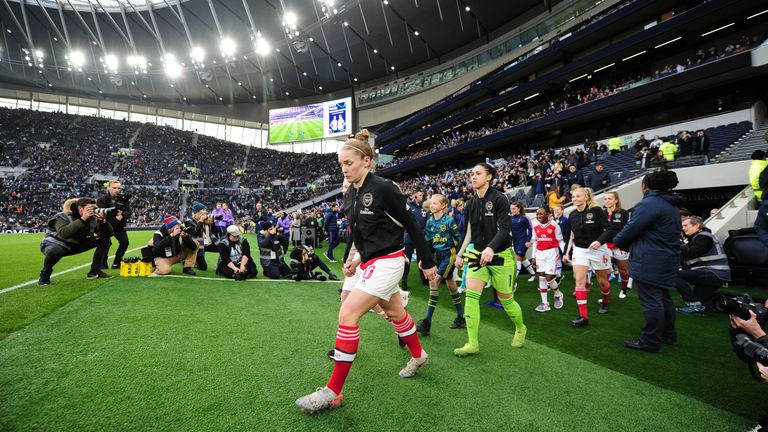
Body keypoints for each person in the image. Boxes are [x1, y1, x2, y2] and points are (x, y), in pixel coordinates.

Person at [295, 130, 437, 413]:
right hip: (369, 264)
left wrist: (427, 260)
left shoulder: (383, 188)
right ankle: (419, 356)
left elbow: (412, 224)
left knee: (347, 312)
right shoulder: (352, 194)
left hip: (389, 263)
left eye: (349, 163)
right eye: (341, 165)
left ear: (367, 161)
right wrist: (355, 260)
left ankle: (333, 391)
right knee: (396, 313)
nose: (344, 169)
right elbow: (359, 233)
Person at [453, 163, 527, 357]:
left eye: (478, 173)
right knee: (470, 297)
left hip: (501, 256)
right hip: (478, 256)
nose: (473, 177)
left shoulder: (500, 198)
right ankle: (472, 343)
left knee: (507, 301)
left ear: (489, 177)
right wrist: (460, 254)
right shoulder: (470, 204)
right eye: (472, 173)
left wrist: (491, 248)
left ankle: (520, 328)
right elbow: (468, 232)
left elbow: (504, 229)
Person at [614, 170, 683, 353]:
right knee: (664, 299)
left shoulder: (650, 203)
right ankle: (669, 335)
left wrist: (618, 242)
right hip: (666, 258)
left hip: (650, 259)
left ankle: (650, 341)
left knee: (653, 301)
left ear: (646, 186)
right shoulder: (670, 204)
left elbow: (631, 229)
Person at [563, 187, 614, 326]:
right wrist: (565, 253)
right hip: (580, 250)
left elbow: (609, 229)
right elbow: (570, 236)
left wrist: (599, 241)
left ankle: (605, 301)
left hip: (598, 250)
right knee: (579, 281)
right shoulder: (572, 215)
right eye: (573, 197)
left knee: (602, 281)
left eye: (578, 196)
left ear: (586, 197)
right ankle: (583, 317)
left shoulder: (597, 211)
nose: (574, 199)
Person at [416, 193, 465, 336]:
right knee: (450, 284)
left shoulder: (449, 221)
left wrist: (459, 256)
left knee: (434, 282)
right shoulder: (430, 222)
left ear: (443, 206)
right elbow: (429, 244)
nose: (432, 205)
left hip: (449, 255)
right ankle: (461, 317)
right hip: (438, 255)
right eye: (431, 203)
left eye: (435, 203)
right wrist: (424, 259)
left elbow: (459, 239)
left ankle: (427, 323)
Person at [38, 197, 114, 285]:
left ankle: (95, 271)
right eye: (90, 208)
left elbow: (109, 234)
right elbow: (64, 233)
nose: (93, 210)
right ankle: (44, 275)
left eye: (94, 208)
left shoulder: (92, 218)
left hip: (74, 244)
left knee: (105, 240)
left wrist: (102, 222)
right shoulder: (62, 216)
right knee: (55, 251)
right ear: (80, 208)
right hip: (55, 244)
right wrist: (83, 219)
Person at [676, 216, 731, 314]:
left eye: (686, 225)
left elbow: (691, 253)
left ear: (697, 225)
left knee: (673, 274)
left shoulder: (704, 237)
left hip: (713, 273)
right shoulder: (697, 238)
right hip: (715, 274)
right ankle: (742, 300)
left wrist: (679, 243)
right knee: (703, 304)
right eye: (682, 226)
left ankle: (693, 304)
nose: (683, 228)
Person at [530, 206, 565, 312]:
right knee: (541, 277)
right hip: (540, 254)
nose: (538, 216)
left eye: (541, 213)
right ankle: (545, 303)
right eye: (537, 214)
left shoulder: (554, 225)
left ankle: (558, 293)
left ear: (548, 214)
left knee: (549, 278)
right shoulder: (535, 226)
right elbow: (535, 242)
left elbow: (560, 241)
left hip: (552, 253)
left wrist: (565, 253)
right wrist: (533, 256)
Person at [97, 180, 130, 269]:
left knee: (125, 242)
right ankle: (103, 262)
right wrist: (116, 216)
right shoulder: (101, 200)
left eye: (118, 188)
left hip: (119, 226)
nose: (117, 190)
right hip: (106, 225)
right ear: (109, 188)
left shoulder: (123, 199)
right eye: (114, 188)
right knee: (107, 243)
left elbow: (128, 211)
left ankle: (117, 262)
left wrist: (122, 215)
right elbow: (102, 213)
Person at [603, 192, 631, 299]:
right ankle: (606, 295)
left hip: (619, 246)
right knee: (606, 271)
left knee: (623, 270)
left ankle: (624, 289)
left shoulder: (623, 213)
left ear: (616, 200)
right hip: (605, 246)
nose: (607, 201)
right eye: (605, 199)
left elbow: (626, 230)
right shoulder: (601, 213)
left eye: (610, 198)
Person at [401, 189, 427, 291]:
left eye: (422, 195)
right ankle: (404, 281)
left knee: (421, 258)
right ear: (414, 196)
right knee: (407, 259)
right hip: (409, 236)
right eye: (420, 195)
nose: (422, 197)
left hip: (420, 237)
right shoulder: (407, 206)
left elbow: (426, 220)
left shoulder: (422, 207)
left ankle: (424, 278)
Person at [510, 201, 536, 281]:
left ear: (519, 209)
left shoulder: (525, 218)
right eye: (511, 209)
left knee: (518, 258)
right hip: (515, 241)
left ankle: (513, 281)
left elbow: (530, 229)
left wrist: (528, 241)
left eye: (514, 209)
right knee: (523, 258)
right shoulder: (511, 217)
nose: (512, 210)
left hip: (523, 241)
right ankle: (533, 274)